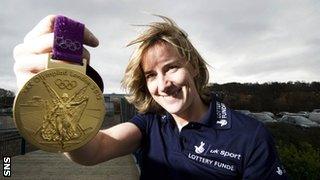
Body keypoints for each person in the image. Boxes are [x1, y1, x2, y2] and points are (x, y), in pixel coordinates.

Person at [13, 15, 288, 180]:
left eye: (171, 68)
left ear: (192, 65)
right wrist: (55, 100)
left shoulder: (249, 136)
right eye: (151, 75)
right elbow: (93, 150)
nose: (163, 85)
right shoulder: (150, 124)